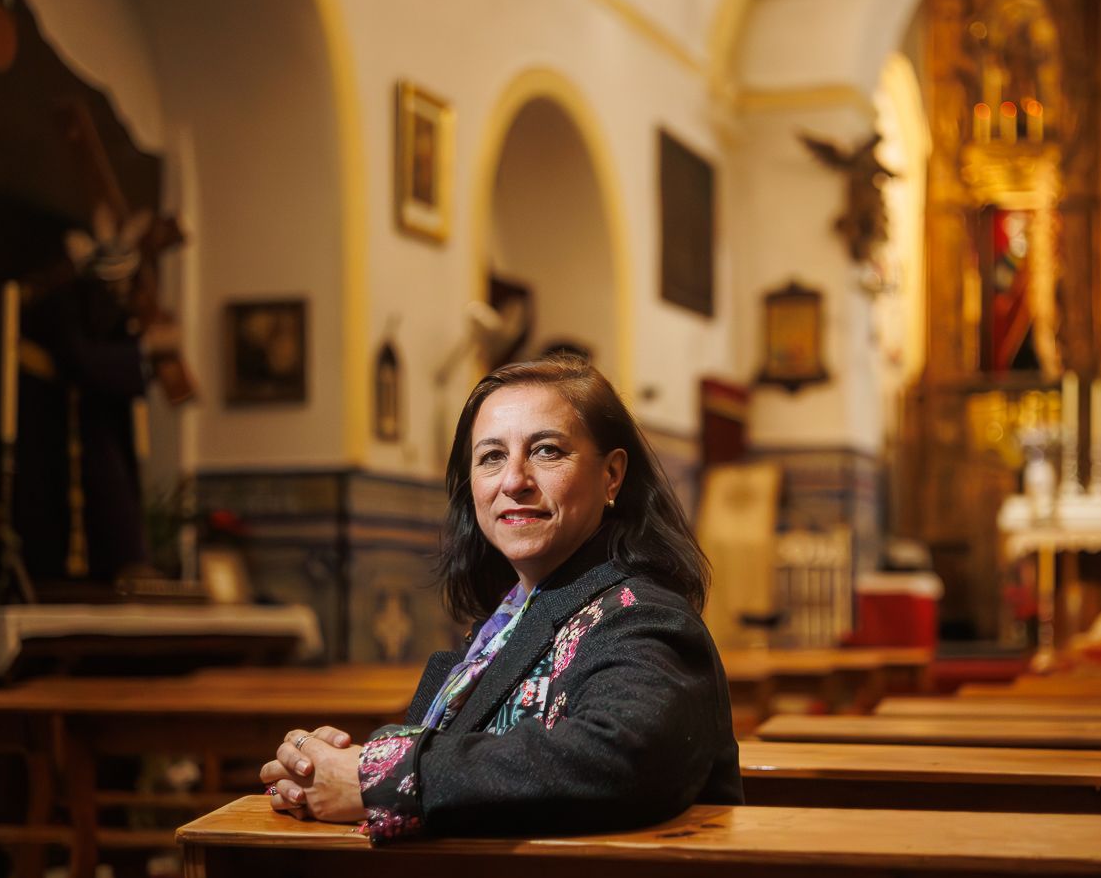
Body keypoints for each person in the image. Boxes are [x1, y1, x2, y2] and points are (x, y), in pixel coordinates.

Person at [260, 356, 742, 841]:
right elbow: (478, 767)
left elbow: (624, 757)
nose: (514, 481)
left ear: (612, 475)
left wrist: (381, 776)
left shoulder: (641, 614)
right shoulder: (507, 624)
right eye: (491, 456)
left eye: (547, 451)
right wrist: (327, 772)